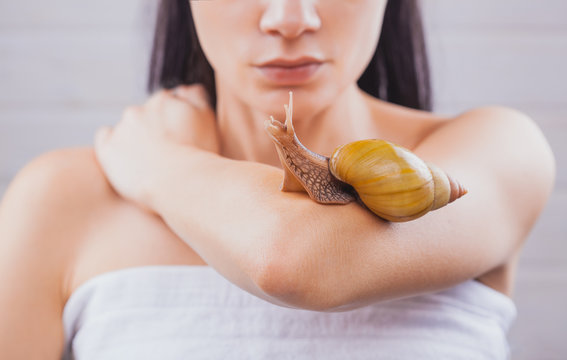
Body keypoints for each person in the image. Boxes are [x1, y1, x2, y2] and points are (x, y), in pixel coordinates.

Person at [0, 0, 556, 359]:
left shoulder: (496, 150)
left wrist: (159, 165)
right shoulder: (59, 200)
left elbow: (289, 260)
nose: (290, 19)